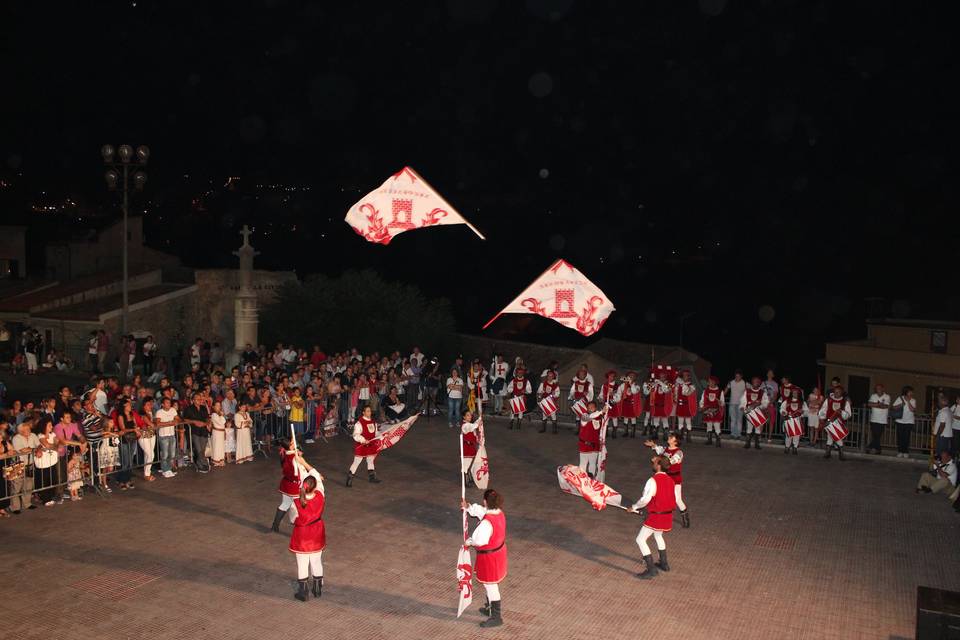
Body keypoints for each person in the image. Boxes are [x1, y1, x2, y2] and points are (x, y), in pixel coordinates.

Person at [461, 488, 508, 628]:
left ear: (485, 501)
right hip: (498, 554)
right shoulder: (498, 513)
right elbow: (482, 512)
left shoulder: (487, 524)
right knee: (491, 584)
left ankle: (496, 617)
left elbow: (478, 540)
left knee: (491, 585)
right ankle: (489, 608)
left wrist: (468, 542)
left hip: (490, 558)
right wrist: (469, 507)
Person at [628, 454, 677, 580]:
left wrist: (634, 507)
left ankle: (651, 569)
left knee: (640, 539)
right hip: (667, 515)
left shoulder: (652, 481)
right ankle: (664, 563)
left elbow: (645, 500)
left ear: (659, 465)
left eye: (655, 462)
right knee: (658, 535)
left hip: (656, 516)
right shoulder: (671, 481)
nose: (653, 463)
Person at [288, 457, 325, 601]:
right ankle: (317, 588)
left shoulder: (296, 502)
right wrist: (304, 463)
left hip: (302, 534)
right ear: (315, 487)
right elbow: (318, 478)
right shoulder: (320, 496)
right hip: (316, 531)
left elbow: (292, 519)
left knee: (302, 563)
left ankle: (303, 592)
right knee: (316, 561)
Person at [644, 431, 689, 528]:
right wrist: (653, 445)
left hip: (675, 479)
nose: (669, 437)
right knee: (655, 494)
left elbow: (670, 461)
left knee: (677, 499)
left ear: (676, 441)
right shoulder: (665, 450)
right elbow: (660, 449)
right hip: (665, 477)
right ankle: (651, 513)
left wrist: (657, 460)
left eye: (672, 436)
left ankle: (685, 517)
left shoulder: (679, 452)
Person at [271, 439, 306, 533]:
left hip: (286, 483)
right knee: (299, 507)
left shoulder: (285, 454)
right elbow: (296, 473)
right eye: (292, 443)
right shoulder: (294, 457)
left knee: (285, 504)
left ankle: (275, 525)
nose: (294, 442)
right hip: (294, 486)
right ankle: (301, 528)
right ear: (290, 446)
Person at [347, 405, 381, 487]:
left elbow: (375, 433)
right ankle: (349, 480)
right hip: (362, 445)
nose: (370, 412)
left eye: (370, 411)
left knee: (370, 460)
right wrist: (363, 440)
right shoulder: (359, 423)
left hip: (371, 445)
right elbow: (355, 435)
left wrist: (381, 435)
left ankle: (372, 477)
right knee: (356, 462)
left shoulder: (373, 422)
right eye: (368, 411)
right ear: (363, 412)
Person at [10, 421, 40, 512]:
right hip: (18, 465)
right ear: (21, 431)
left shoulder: (33, 435)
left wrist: (38, 449)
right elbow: (23, 450)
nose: (29, 430)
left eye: (29, 428)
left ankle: (27, 504)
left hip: (30, 464)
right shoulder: (16, 438)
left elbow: (39, 445)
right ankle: (15, 507)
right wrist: (35, 450)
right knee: (16, 486)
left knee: (28, 485)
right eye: (27, 429)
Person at [819, 386, 852, 460]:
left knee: (837, 437)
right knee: (830, 436)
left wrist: (842, 412)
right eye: (835, 391)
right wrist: (821, 418)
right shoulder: (828, 400)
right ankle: (832, 452)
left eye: (838, 392)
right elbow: (823, 409)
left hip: (839, 423)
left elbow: (848, 414)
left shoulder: (845, 402)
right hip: (829, 422)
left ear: (842, 393)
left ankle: (835, 453)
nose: (836, 393)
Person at [181, 392, 211, 473]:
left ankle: (199, 462)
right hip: (195, 431)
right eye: (198, 399)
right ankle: (203, 463)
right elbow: (185, 419)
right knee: (198, 448)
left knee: (202, 449)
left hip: (204, 430)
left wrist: (206, 423)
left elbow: (207, 418)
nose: (200, 400)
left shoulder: (203, 408)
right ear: (193, 400)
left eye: (200, 399)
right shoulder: (188, 409)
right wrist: (194, 421)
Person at [740, 376, 769, 450]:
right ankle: (748, 443)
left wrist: (761, 405)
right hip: (749, 411)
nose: (755, 383)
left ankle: (757, 444)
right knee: (749, 428)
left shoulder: (762, 392)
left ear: (759, 383)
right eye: (754, 381)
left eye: (756, 381)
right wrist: (742, 406)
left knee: (758, 428)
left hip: (758, 412)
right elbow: (743, 400)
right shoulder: (748, 391)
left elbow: (766, 402)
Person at [648, 366, 675, 442]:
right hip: (656, 405)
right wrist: (651, 384)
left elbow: (666, 390)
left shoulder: (669, 384)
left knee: (665, 421)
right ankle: (655, 434)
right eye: (660, 376)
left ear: (665, 377)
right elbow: (647, 390)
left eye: (663, 376)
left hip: (664, 406)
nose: (661, 378)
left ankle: (665, 435)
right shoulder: (656, 383)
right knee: (656, 420)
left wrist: (660, 383)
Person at [577, 401, 603, 478]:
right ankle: (581, 481)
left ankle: (591, 481)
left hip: (595, 445)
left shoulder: (599, 417)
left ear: (595, 408)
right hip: (584, 444)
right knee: (583, 464)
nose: (590, 409)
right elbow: (590, 417)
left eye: (592, 407)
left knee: (593, 463)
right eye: (589, 407)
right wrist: (602, 411)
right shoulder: (584, 416)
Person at [155, 397, 179, 478]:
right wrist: (169, 423)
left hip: (172, 434)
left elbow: (177, 419)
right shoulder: (159, 412)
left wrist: (174, 421)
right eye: (167, 403)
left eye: (169, 402)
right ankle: (165, 470)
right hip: (163, 435)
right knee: (165, 454)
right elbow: (158, 423)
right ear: (162, 404)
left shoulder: (173, 410)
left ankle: (169, 468)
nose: (169, 404)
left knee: (172, 453)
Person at [779, 387, 806, 455]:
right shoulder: (787, 401)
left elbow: (806, 411)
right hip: (789, 420)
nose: (795, 394)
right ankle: (787, 447)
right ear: (791, 393)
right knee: (788, 435)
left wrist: (803, 412)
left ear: (798, 394)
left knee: (796, 435)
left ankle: (795, 448)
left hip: (797, 420)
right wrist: (783, 412)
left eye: (796, 393)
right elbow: (782, 408)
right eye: (793, 393)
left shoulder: (802, 402)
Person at [891, 387, 916, 458]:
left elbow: (912, 410)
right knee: (900, 437)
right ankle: (900, 451)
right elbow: (893, 407)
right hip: (900, 421)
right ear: (906, 392)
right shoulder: (900, 398)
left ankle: (905, 452)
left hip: (909, 421)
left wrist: (908, 402)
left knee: (906, 437)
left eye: (912, 392)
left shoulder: (913, 400)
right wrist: (901, 404)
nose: (912, 393)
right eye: (910, 392)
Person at [700, 376, 725, 447]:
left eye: (710, 381)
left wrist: (720, 402)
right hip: (708, 410)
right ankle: (709, 440)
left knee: (717, 425)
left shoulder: (720, 391)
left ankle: (718, 441)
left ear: (714, 382)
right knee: (709, 425)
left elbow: (722, 402)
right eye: (708, 381)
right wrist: (702, 407)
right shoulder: (706, 391)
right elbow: (702, 400)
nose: (708, 382)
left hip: (716, 411)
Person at [136, 399, 157, 482]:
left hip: (151, 435)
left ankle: (147, 472)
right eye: (148, 404)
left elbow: (154, 425)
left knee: (148, 454)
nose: (150, 406)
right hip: (144, 436)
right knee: (150, 454)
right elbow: (152, 424)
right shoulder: (143, 415)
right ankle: (147, 473)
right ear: (143, 406)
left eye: (150, 404)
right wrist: (153, 425)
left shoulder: (151, 413)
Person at [616, 371, 642, 438]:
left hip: (633, 405)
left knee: (633, 418)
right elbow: (619, 392)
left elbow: (634, 391)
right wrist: (616, 397)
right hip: (625, 404)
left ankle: (632, 433)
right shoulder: (623, 385)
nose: (631, 377)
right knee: (625, 418)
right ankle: (626, 432)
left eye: (632, 376)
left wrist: (631, 383)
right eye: (629, 376)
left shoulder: (637, 386)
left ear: (635, 378)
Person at [866, 384, 890, 454]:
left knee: (878, 435)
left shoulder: (887, 396)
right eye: (876, 388)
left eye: (879, 388)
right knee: (875, 435)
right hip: (874, 419)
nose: (878, 389)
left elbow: (886, 406)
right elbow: (869, 404)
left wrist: (875, 404)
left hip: (882, 420)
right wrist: (879, 404)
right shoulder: (873, 396)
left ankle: (870, 447)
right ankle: (878, 449)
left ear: (883, 389)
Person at [674, 370, 697, 443]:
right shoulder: (679, 384)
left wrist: (682, 383)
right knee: (680, 421)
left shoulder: (692, 386)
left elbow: (686, 393)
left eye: (686, 375)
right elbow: (676, 394)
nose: (684, 377)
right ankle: (681, 435)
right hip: (680, 405)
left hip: (687, 406)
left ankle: (688, 436)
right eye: (683, 375)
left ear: (689, 376)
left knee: (688, 421)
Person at [598, 370, 622, 439]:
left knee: (614, 418)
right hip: (606, 404)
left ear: (614, 377)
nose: (610, 378)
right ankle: (606, 431)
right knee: (606, 417)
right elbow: (601, 394)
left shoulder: (617, 386)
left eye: (612, 376)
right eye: (609, 376)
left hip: (613, 404)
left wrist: (614, 395)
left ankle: (614, 432)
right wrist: (600, 398)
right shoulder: (604, 385)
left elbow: (619, 397)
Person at [537, 369, 561, 434]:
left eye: (551, 376)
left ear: (553, 377)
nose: (550, 377)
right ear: (547, 376)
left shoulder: (555, 385)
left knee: (553, 415)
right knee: (544, 415)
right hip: (544, 401)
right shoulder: (543, 384)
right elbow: (539, 392)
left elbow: (558, 394)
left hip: (551, 401)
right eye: (548, 376)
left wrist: (554, 394)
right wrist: (541, 393)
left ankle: (554, 430)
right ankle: (543, 428)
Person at [724, 370, 746, 440]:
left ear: (741, 376)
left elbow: (747, 393)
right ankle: (733, 434)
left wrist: (745, 404)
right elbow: (725, 391)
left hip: (740, 404)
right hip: (732, 404)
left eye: (739, 376)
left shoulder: (744, 383)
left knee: (739, 420)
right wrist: (720, 397)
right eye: (736, 376)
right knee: (733, 420)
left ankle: (738, 434)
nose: (737, 378)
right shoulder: (731, 382)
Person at [461, 410, 480, 488]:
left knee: (471, 463)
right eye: (468, 415)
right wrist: (479, 419)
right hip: (467, 448)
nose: (470, 417)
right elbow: (473, 426)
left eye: (470, 415)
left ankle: (469, 477)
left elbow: (474, 433)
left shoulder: (469, 424)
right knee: (466, 464)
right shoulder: (465, 425)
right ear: (464, 417)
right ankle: (465, 480)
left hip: (471, 447)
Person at [761, 370, 780, 443]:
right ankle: (759, 436)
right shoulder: (763, 383)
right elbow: (760, 393)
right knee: (761, 420)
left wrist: (770, 402)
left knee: (771, 421)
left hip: (771, 404)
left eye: (771, 373)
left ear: (773, 375)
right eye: (768, 373)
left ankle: (769, 437)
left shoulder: (775, 384)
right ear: (767, 374)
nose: (769, 374)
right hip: (763, 404)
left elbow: (775, 395)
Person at [209, 401, 227, 467]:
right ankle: (216, 461)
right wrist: (222, 415)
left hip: (221, 432)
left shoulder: (219, 414)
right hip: (216, 433)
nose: (219, 407)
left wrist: (225, 432)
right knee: (217, 446)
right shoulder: (214, 415)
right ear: (213, 407)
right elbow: (221, 422)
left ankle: (221, 460)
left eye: (219, 406)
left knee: (221, 446)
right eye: (217, 405)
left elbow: (224, 424)